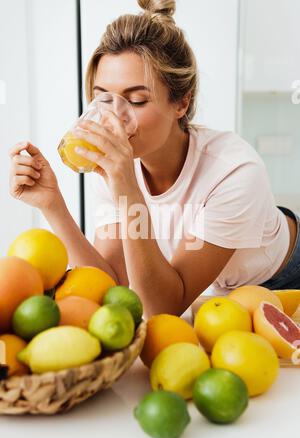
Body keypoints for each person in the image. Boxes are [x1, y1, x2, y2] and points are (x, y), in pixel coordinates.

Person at [8, 0, 299, 319]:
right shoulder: (116, 166)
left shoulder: (233, 171)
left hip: (281, 283)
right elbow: (111, 286)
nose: (113, 117)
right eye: (103, 97)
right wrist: (53, 206)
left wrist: (128, 190)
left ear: (181, 103)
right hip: (217, 297)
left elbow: (162, 306)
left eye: (136, 100)